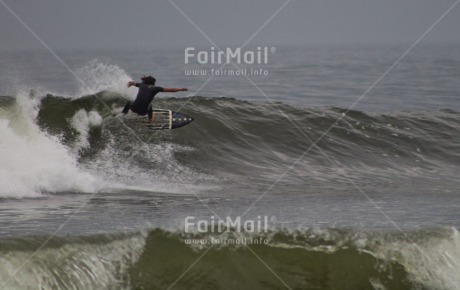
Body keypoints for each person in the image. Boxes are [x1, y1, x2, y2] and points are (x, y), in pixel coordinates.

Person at [122, 75, 188, 123]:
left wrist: (131, 83)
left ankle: (123, 114)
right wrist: (181, 89)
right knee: (150, 105)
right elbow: (171, 90)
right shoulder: (156, 88)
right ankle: (150, 120)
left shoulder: (141, 85)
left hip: (134, 108)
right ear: (153, 83)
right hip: (143, 112)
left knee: (129, 102)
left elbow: (134, 83)